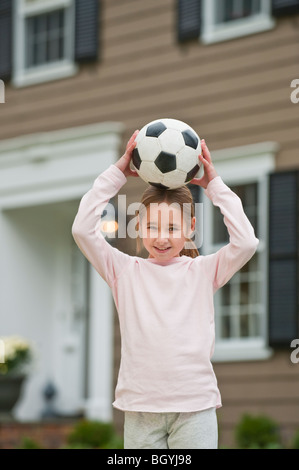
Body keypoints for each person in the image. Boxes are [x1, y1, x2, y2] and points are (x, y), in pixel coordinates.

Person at [72, 130, 259, 449]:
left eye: (172, 228)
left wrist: (215, 186)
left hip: (194, 407)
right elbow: (82, 229)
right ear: (139, 227)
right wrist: (116, 174)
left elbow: (246, 242)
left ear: (190, 229)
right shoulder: (124, 271)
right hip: (141, 408)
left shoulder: (203, 271)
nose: (161, 237)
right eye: (152, 226)